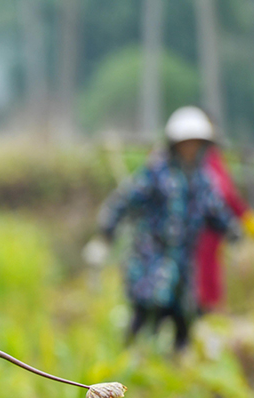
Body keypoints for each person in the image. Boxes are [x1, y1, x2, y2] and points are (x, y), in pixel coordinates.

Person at [95, 106, 239, 352]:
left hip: (183, 261)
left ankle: (175, 371)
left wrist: (235, 231)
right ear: (174, 144)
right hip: (153, 257)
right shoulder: (157, 173)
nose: (190, 149)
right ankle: (129, 366)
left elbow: (217, 213)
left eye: (196, 144)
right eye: (186, 143)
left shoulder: (204, 179)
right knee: (146, 315)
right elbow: (125, 200)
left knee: (183, 320)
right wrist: (107, 230)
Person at [194, 144, 254, 313]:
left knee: (208, 275)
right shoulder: (184, 161)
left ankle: (207, 313)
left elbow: (226, 193)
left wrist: (246, 217)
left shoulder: (211, 158)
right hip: (190, 231)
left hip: (211, 231)